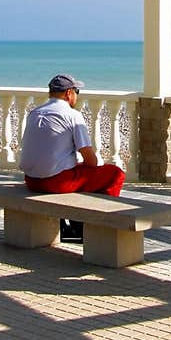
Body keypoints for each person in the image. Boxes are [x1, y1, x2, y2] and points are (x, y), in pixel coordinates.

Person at [18, 73, 125, 243]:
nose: (77, 96)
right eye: (77, 91)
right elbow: (91, 161)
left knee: (82, 175)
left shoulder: (34, 113)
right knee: (114, 174)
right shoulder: (72, 115)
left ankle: (75, 226)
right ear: (69, 93)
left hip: (31, 180)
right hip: (55, 182)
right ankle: (102, 229)